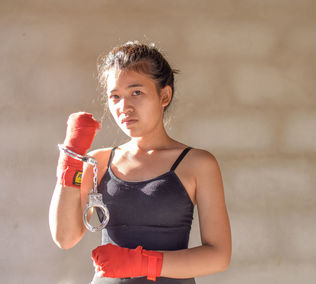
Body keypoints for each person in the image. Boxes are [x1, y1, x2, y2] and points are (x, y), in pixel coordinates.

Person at [49, 41, 232, 284]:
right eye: (115, 96)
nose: (124, 107)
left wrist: (143, 263)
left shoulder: (197, 163)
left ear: (164, 95)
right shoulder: (98, 161)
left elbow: (218, 256)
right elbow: (65, 237)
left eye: (136, 92)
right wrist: (71, 157)